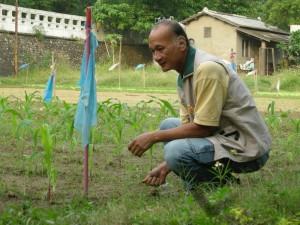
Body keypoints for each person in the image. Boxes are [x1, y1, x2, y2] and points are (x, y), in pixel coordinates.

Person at [128, 20, 271, 190]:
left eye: (160, 49)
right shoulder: (184, 76)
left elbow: (204, 128)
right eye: (153, 51)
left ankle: (223, 186)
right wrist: (168, 165)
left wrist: (153, 137)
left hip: (247, 147)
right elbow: (189, 125)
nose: (156, 57)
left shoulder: (207, 69)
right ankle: (197, 185)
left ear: (181, 44)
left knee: (174, 150)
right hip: (221, 136)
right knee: (168, 125)